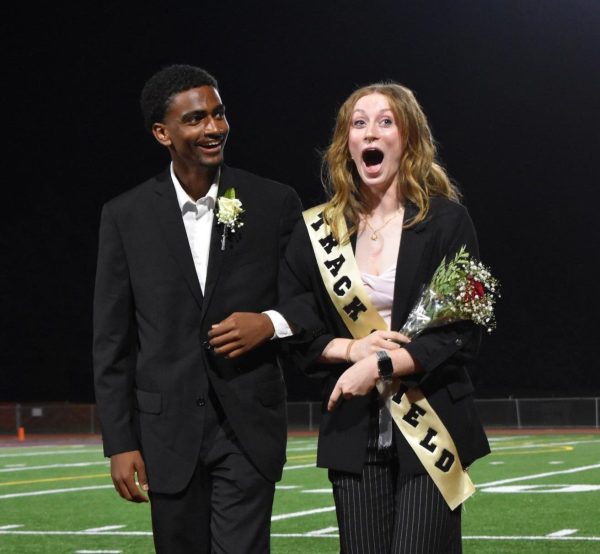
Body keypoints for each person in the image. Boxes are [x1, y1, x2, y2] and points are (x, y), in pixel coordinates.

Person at [93, 64, 302, 554]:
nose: (213, 128)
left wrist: (269, 323)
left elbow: (310, 303)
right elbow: (111, 340)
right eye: (195, 119)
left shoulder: (275, 202)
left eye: (218, 114)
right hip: (165, 434)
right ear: (163, 133)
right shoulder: (124, 216)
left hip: (247, 429)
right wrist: (120, 442)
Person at [279, 82, 490, 553]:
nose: (370, 132)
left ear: (408, 139)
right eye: (359, 123)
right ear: (347, 144)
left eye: (385, 121)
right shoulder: (315, 231)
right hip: (351, 431)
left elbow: (461, 332)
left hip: (431, 422)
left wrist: (380, 365)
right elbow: (295, 326)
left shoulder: (447, 221)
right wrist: (352, 349)